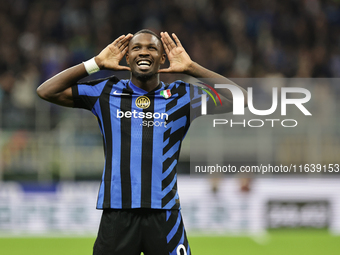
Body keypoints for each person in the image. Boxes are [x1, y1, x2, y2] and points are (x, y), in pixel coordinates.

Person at [37, 29, 247, 255]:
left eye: (152, 48)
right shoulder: (106, 91)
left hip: (164, 214)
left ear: (162, 58)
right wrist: (95, 63)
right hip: (117, 213)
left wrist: (192, 67)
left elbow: (241, 99)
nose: (143, 52)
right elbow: (46, 91)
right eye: (136, 48)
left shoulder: (182, 96)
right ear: (127, 58)